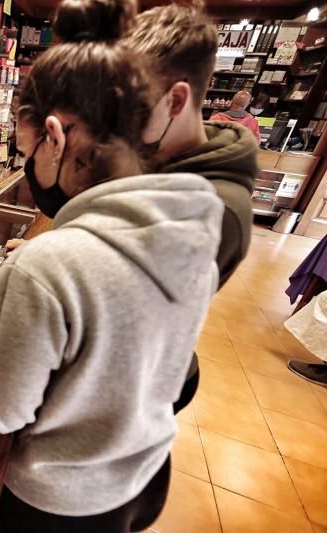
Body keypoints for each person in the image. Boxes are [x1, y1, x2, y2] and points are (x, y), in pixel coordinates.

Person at [0, 0, 224, 530]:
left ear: (55, 135)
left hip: (53, 502)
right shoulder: (195, 227)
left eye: (26, 149)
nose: (29, 168)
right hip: (137, 480)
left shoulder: (49, 264)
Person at [124, 4, 258, 412]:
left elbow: (122, 311)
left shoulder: (217, 209)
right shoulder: (159, 157)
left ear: (176, 100)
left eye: (130, 103)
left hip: (141, 387)